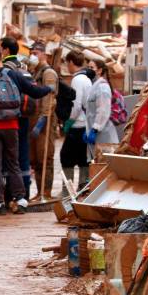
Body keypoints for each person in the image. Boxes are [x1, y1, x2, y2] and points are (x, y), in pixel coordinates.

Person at [0, 45, 52, 215]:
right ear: (2, 56)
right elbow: (34, 91)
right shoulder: (14, 75)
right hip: (12, 126)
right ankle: (20, 199)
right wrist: (49, 89)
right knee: (13, 164)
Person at [0, 36, 35, 199]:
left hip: (9, 119)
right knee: (23, 154)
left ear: (6, 50)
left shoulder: (5, 71)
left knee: (9, 156)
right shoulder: (25, 70)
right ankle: (25, 194)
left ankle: (10, 194)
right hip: (25, 118)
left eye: (1, 49)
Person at [59, 50, 93, 192]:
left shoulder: (77, 80)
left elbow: (76, 104)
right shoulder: (86, 79)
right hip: (85, 125)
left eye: (67, 63)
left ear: (71, 62)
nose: (67, 66)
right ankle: (84, 189)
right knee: (82, 159)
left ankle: (68, 191)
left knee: (66, 158)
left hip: (78, 125)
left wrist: (69, 122)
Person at [28, 41, 58, 200]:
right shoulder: (34, 72)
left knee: (45, 157)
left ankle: (46, 191)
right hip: (33, 120)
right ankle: (38, 191)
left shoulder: (48, 74)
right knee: (35, 159)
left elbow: (49, 99)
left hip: (44, 121)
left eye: (36, 53)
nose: (33, 56)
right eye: (31, 53)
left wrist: (43, 119)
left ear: (43, 54)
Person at [83, 59, 120, 155]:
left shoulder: (102, 87)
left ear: (99, 71)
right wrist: (88, 129)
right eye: (88, 67)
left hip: (104, 134)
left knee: (104, 164)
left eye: (91, 68)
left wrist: (95, 129)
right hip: (96, 133)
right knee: (96, 163)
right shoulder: (94, 86)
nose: (88, 70)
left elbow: (103, 110)